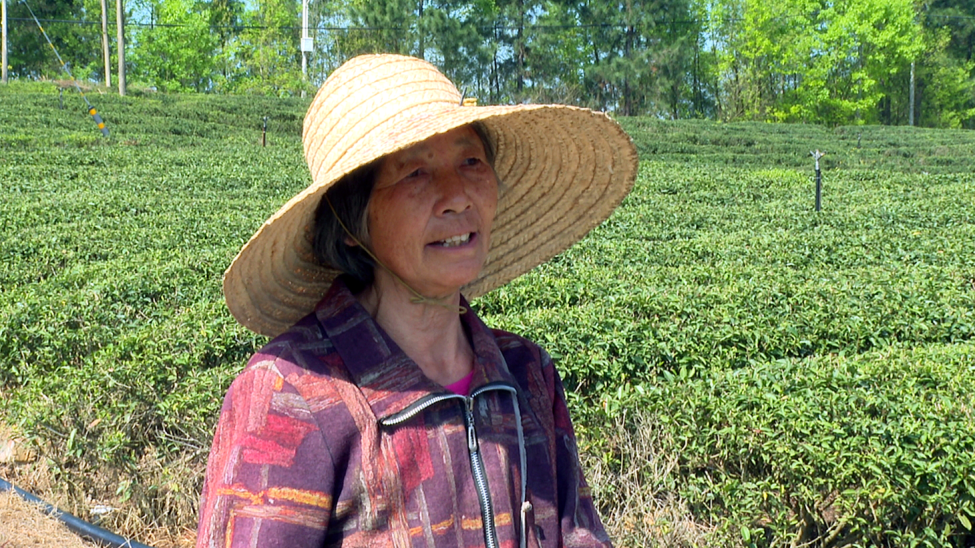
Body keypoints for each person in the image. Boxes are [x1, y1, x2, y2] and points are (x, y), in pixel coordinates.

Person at [196, 54, 638, 548]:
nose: (457, 196)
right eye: (414, 173)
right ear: (349, 226)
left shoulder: (526, 375)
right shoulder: (291, 395)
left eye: (471, 161)